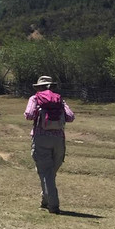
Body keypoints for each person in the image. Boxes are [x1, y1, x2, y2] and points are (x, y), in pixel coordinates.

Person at [24, 75, 74, 214]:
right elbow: (70, 117)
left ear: (39, 87)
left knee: (46, 172)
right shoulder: (60, 100)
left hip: (41, 138)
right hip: (58, 139)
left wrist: (39, 112)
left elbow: (28, 115)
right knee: (50, 173)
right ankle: (45, 200)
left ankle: (53, 205)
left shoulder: (35, 99)